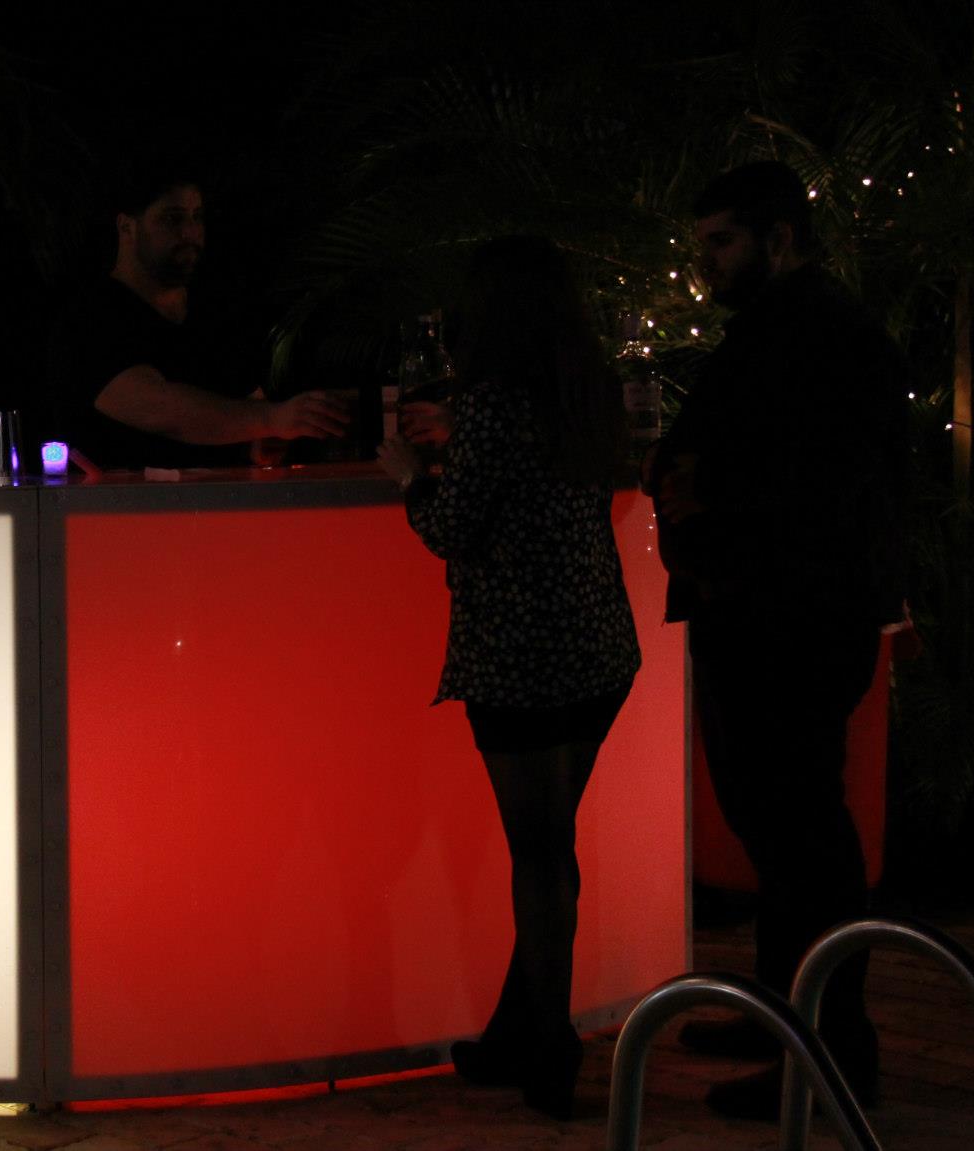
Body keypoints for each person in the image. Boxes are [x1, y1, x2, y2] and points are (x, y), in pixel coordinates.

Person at [646, 159, 912, 1120]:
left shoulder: (821, 336)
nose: (707, 263)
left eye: (721, 242)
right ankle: (784, 1017)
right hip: (766, 612)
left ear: (780, 235)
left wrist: (705, 493)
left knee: (802, 837)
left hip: (788, 619)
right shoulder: (794, 330)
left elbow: (825, 482)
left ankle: (833, 1049)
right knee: (782, 830)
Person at [380, 235, 641, 1121]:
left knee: (540, 855)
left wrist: (412, 477)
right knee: (550, 846)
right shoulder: (587, 392)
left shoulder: (492, 401)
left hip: (520, 655)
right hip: (599, 643)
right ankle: (514, 1032)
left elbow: (455, 528)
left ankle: (550, 1045)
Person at [50, 172, 348, 470]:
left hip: (223, 509)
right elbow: (159, 409)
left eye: (197, 217)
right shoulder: (90, 318)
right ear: (127, 226)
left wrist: (262, 441)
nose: (190, 233)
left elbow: (248, 400)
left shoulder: (216, 311)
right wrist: (270, 420)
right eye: (173, 219)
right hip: (119, 511)